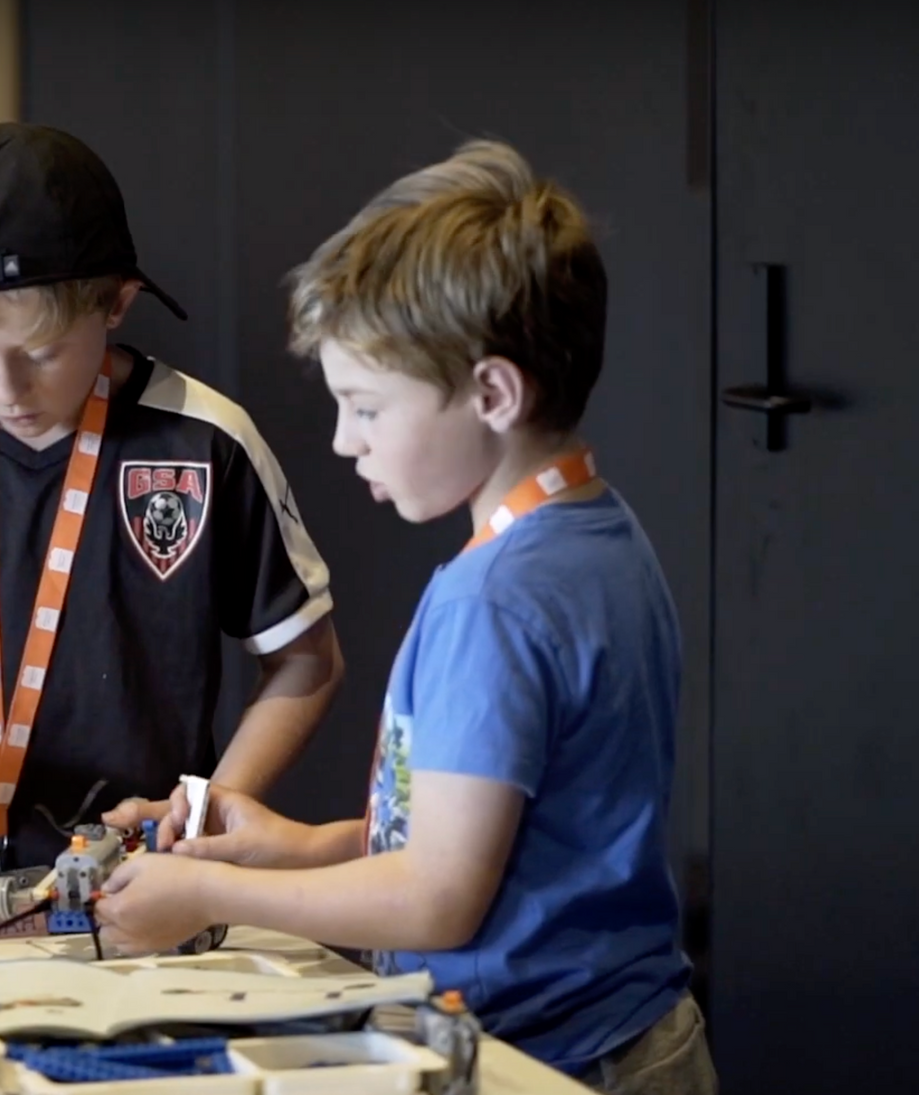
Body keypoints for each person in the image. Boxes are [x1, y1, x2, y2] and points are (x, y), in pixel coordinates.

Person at [92, 140, 716, 1094]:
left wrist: (208, 892)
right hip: (633, 1038)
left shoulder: (492, 599)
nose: (345, 440)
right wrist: (291, 846)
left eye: (368, 406)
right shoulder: (602, 535)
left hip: (554, 1061)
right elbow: (492, 843)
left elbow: (438, 897)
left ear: (493, 392)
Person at [0, 122, 344, 947]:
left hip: (145, 915)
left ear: (116, 301)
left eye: (41, 352)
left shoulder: (204, 441)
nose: (6, 389)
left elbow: (307, 658)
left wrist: (207, 806)